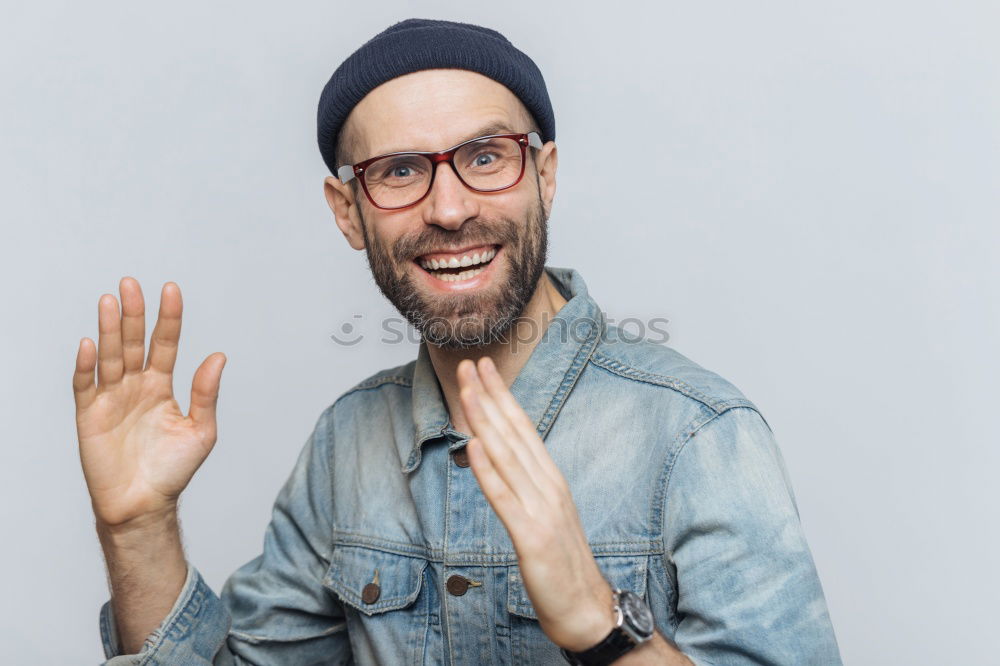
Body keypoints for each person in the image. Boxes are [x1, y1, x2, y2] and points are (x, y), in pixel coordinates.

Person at [74, 18, 842, 666]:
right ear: (349, 213)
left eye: (485, 157)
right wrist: (137, 530)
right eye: (401, 170)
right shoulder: (347, 443)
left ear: (544, 175)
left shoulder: (698, 435)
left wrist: (603, 628)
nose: (448, 208)